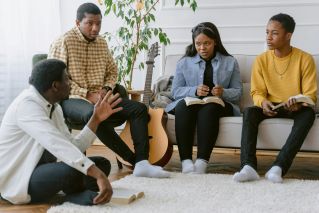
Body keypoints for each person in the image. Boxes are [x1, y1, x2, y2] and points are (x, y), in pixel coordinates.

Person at [48, 2, 169, 178]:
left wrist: (105, 89)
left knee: (139, 109)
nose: (95, 28)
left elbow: (112, 70)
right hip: (72, 99)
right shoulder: (64, 42)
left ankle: (143, 162)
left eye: (98, 23)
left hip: (101, 97)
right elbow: (57, 81)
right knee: (95, 114)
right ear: (77, 23)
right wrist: (89, 95)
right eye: (90, 23)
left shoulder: (102, 43)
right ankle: (134, 161)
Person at [0, 59, 124, 205]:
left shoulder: (54, 107)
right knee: (74, 172)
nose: (71, 82)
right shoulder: (27, 105)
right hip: (20, 178)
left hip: (40, 169)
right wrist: (98, 176)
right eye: (67, 78)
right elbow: (56, 144)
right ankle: (69, 196)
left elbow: (73, 146)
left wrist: (96, 119)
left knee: (102, 164)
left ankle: (77, 191)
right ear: (55, 86)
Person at [233, 13, 317, 183]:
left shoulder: (305, 59)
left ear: (288, 36)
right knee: (250, 112)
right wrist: (263, 103)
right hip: (271, 106)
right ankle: (248, 166)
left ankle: (278, 167)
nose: (268, 37)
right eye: (267, 32)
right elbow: (256, 92)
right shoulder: (261, 59)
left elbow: (310, 94)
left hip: (295, 108)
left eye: (274, 33)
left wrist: (299, 102)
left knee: (308, 115)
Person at [165, 22, 243, 174]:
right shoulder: (184, 62)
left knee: (209, 108)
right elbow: (175, 91)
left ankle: (201, 162)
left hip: (217, 104)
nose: (202, 48)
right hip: (191, 102)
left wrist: (223, 93)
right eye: (198, 44)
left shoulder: (230, 62)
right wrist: (194, 90)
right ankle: (186, 162)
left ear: (215, 41)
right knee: (182, 106)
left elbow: (238, 92)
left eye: (206, 43)